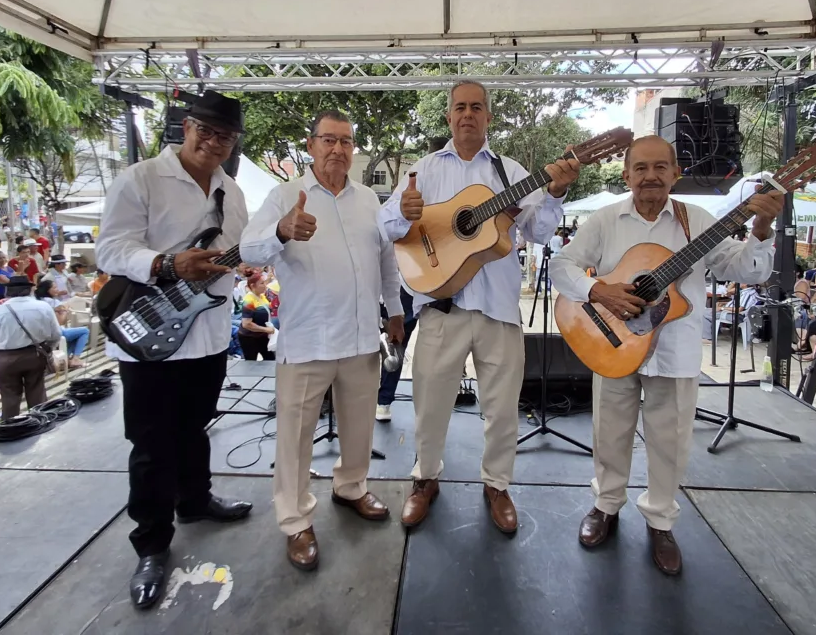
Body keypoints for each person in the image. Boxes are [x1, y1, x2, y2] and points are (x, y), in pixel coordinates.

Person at [548, 135, 779, 575]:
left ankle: (660, 520)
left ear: (676, 173)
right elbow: (562, 265)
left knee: (669, 440)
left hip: (675, 348)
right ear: (626, 175)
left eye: (660, 167)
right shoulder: (606, 219)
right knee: (609, 430)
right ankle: (606, 504)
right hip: (613, 342)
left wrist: (762, 230)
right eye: (641, 167)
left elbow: (746, 270)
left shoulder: (698, 221)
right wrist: (599, 291)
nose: (650, 176)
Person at [378, 81, 580, 535]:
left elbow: (540, 233)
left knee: (503, 409)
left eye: (476, 107)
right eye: (460, 107)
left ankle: (497, 485)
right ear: (449, 116)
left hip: (498, 308)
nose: (467, 114)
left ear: (489, 116)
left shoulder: (512, 172)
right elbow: (386, 225)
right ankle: (425, 478)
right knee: (429, 404)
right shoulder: (424, 169)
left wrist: (555, 194)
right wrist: (403, 211)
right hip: (441, 306)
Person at [96, 90, 253, 609]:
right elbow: (110, 249)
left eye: (225, 135)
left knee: (194, 426)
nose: (214, 142)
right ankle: (151, 544)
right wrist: (166, 264)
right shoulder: (140, 179)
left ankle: (195, 500)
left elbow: (230, 257)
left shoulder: (233, 192)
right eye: (205, 130)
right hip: (150, 333)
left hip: (207, 334)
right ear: (186, 128)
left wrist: (254, 258)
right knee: (151, 444)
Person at [241, 109, 404, 572]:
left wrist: (394, 310)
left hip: (360, 337)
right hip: (308, 339)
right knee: (295, 438)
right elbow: (247, 248)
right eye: (329, 140)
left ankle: (351, 487)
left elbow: (387, 261)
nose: (338, 149)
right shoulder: (284, 195)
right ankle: (295, 521)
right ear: (310, 145)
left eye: (346, 141)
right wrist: (281, 230)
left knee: (359, 425)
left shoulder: (369, 200)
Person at [0, 275, 61, 419]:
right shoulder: (43, 307)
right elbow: (56, 334)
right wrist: (48, 349)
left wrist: (2, 351)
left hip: (6, 359)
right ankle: (40, 423)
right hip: (35, 355)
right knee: (37, 393)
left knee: (9, 397)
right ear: (29, 290)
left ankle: (11, 427)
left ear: (8, 291)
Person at [376, 287, 416, 422]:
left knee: (395, 346)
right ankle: (383, 402)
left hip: (404, 291)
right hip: (383, 291)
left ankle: (384, 401)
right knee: (393, 346)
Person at [34, 279, 89, 369]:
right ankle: (75, 359)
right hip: (55, 332)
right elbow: (60, 322)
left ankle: (67, 359)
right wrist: (65, 311)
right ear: (47, 290)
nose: (57, 289)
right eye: (54, 287)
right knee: (84, 331)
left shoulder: (38, 301)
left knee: (75, 334)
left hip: (41, 333)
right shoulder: (54, 302)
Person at [238, 273, 276, 361]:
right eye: (262, 283)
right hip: (249, 337)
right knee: (251, 362)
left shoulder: (262, 296)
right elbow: (246, 324)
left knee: (270, 359)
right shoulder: (248, 301)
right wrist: (266, 329)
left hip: (263, 335)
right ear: (253, 286)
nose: (265, 285)